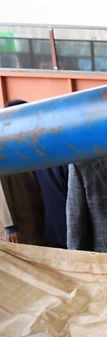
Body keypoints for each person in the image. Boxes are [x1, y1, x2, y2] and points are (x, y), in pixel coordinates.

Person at [0, 99, 45, 246]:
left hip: (37, 214)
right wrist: (9, 225)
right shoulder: (4, 147)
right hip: (19, 220)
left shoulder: (29, 141)